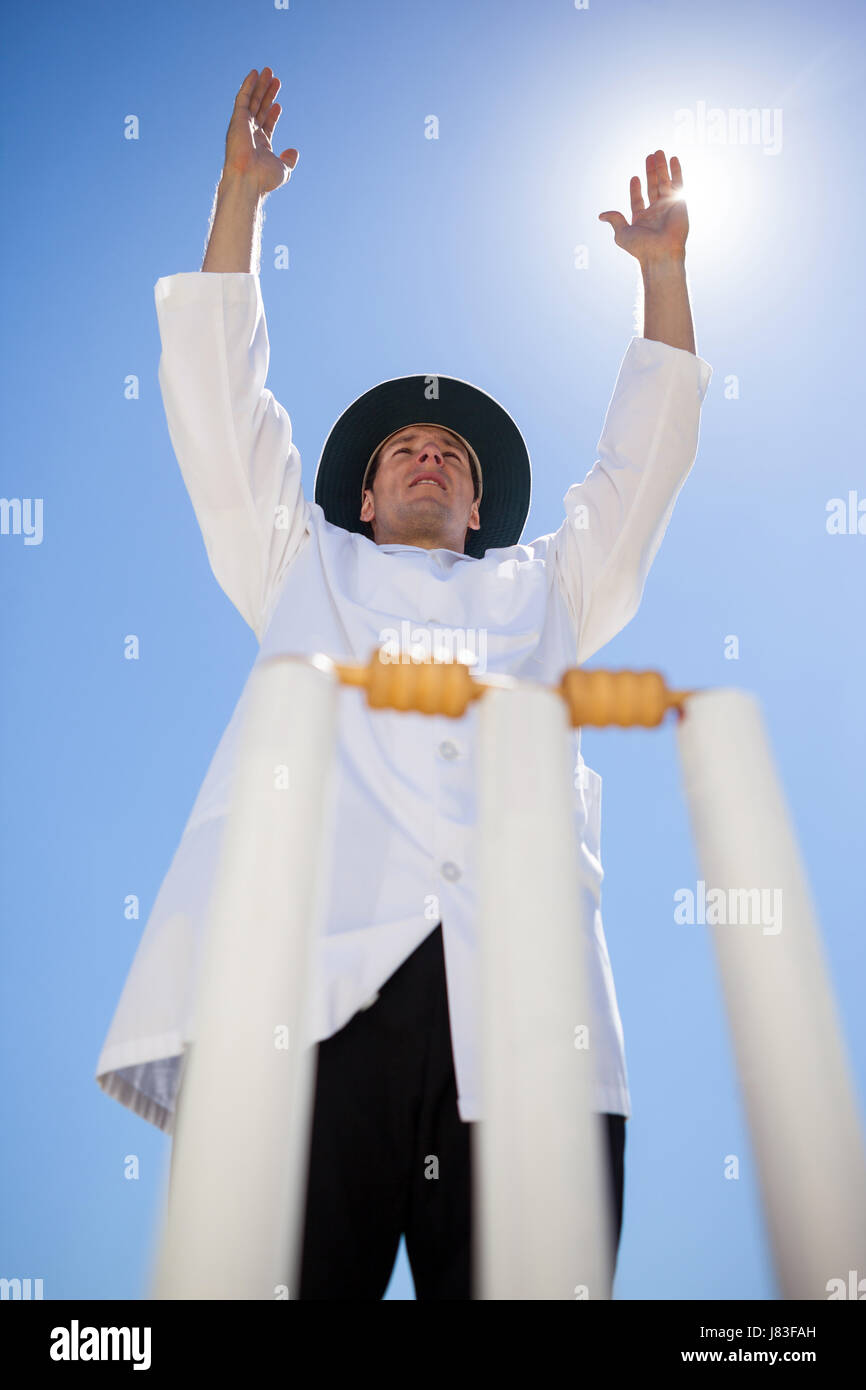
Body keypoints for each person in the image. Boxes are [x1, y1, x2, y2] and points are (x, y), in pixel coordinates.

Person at [95, 67, 712, 1299]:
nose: (429, 456)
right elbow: (221, 406)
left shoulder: (546, 592)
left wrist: (660, 276)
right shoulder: (295, 561)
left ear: (478, 509)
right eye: (402, 450)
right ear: (362, 495)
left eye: (451, 456)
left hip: (521, 1017)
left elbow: (638, 476)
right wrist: (238, 199)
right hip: (305, 996)